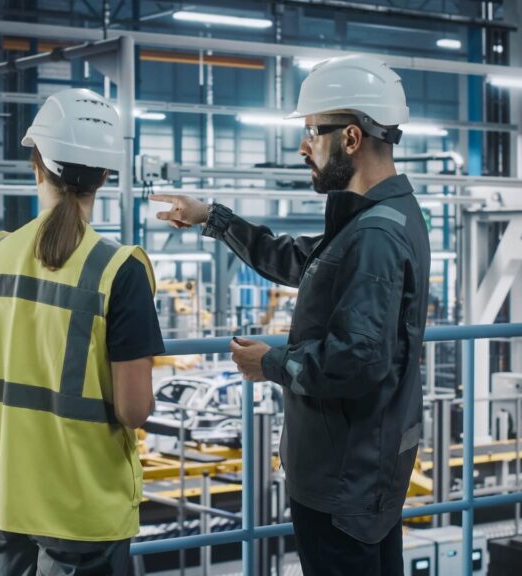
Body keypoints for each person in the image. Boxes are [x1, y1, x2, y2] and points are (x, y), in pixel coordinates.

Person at [151, 54, 431, 576]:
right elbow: (301, 260)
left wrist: (272, 364)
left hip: (343, 479)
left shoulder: (373, 234)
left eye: (311, 131)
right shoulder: (379, 219)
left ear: (350, 138)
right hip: (363, 468)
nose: (304, 146)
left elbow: (359, 360)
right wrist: (214, 217)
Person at [0, 88, 163, 576]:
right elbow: (134, 408)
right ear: (106, 176)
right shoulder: (119, 269)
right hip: (78, 499)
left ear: (37, 165)